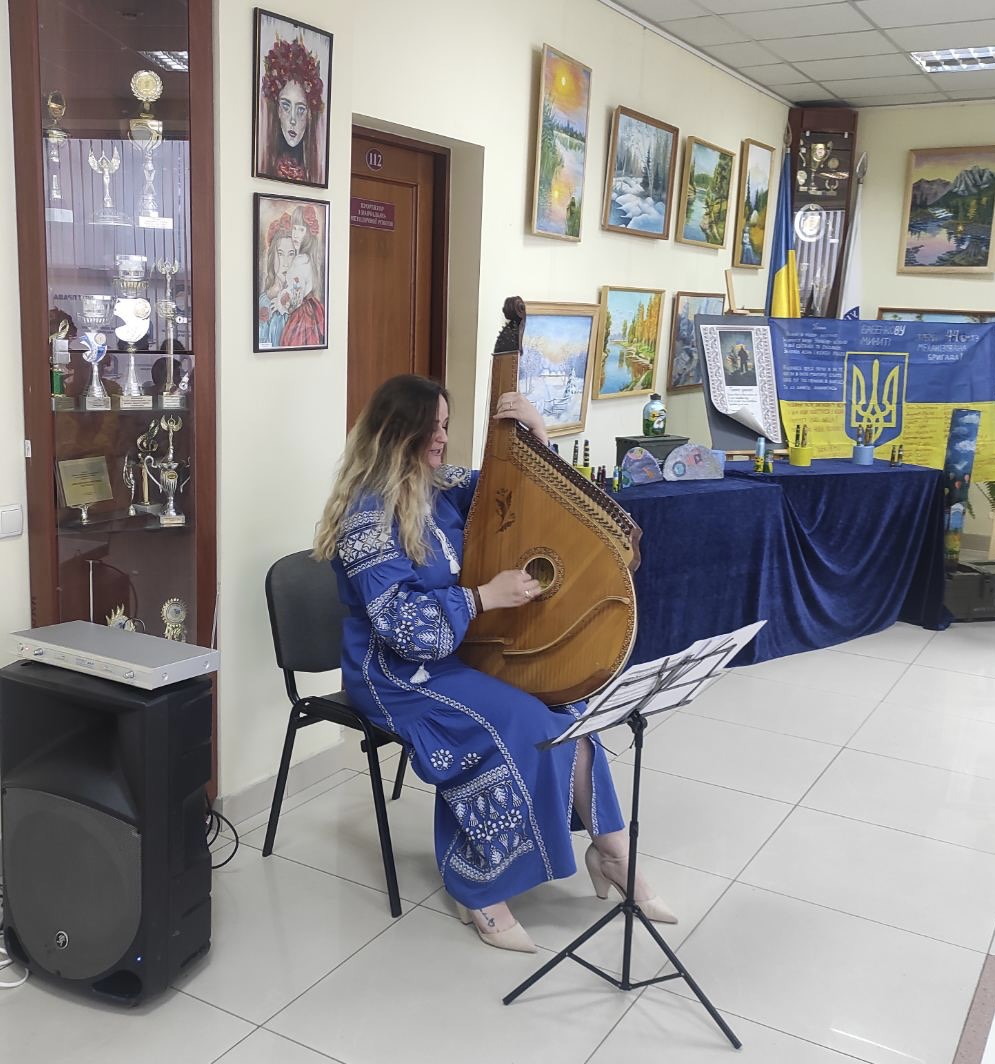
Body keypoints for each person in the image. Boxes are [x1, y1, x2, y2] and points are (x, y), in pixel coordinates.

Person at [313, 374, 676, 953]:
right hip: (393, 674)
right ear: (396, 434)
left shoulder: (442, 485)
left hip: (457, 651)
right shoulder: (366, 521)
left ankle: (612, 853)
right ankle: (479, 886)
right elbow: (404, 628)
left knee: (568, 709)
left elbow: (522, 492)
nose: (442, 438)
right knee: (522, 722)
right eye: (431, 429)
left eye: (445, 425)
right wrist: (482, 598)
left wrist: (536, 434)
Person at [257, 34, 325, 184]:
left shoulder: (315, 170)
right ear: (278, 110)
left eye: (300, 109)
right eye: (286, 106)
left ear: (309, 115)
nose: (293, 120)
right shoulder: (265, 161)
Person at [258, 212, 296, 348]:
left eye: (291, 254)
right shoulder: (263, 301)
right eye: (280, 254)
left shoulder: (302, 301)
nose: (286, 263)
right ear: (272, 257)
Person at [280, 253, 325, 347]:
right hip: (311, 304)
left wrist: (287, 306)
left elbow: (298, 297)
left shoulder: (299, 264)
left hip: (302, 310)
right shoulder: (306, 261)